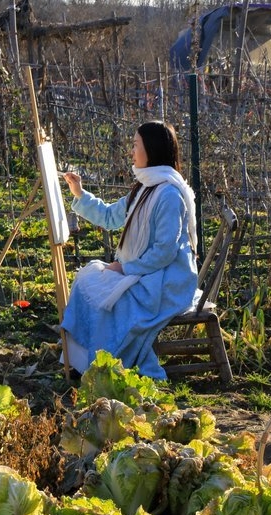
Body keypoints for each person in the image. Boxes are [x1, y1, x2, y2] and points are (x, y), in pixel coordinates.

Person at [60, 121, 199, 380]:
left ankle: (104, 367)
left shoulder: (168, 194)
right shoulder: (145, 188)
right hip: (146, 272)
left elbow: (165, 252)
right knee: (87, 280)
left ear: (151, 149)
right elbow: (111, 216)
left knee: (110, 302)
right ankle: (83, 363)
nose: (132, 151)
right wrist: (79, 194)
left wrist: (125, 269)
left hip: (167, 281)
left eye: (136, 145)